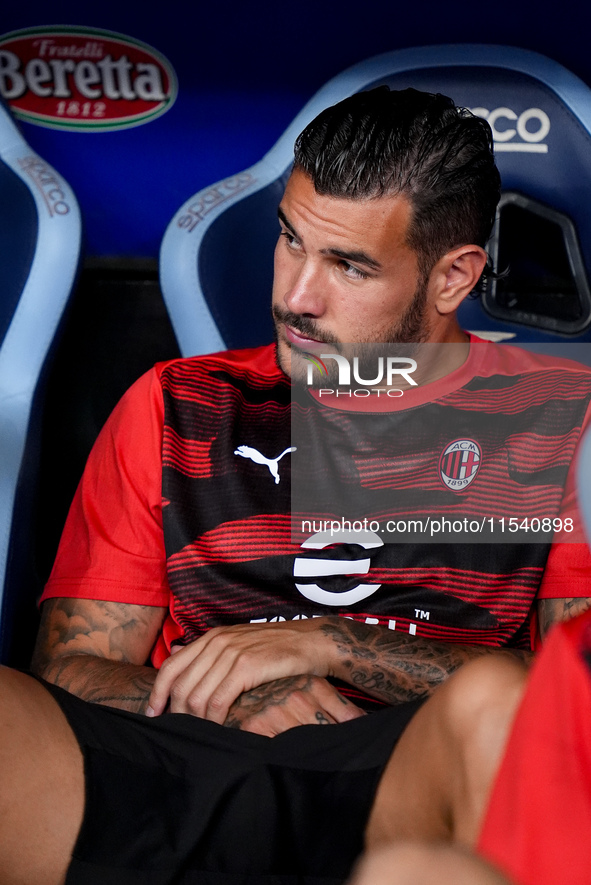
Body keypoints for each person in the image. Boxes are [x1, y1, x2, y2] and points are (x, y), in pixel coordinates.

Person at [10, 84, 590, 879]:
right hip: (181, 754)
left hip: (404, 772)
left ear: (452, 278)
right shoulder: (177, 400)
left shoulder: (561, 419)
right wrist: (238, 696)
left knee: (502, 708)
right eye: (291, 241)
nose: (294, 296)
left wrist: (328, 643)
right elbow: (71, 668)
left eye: (348, 266)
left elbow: (572, 701)